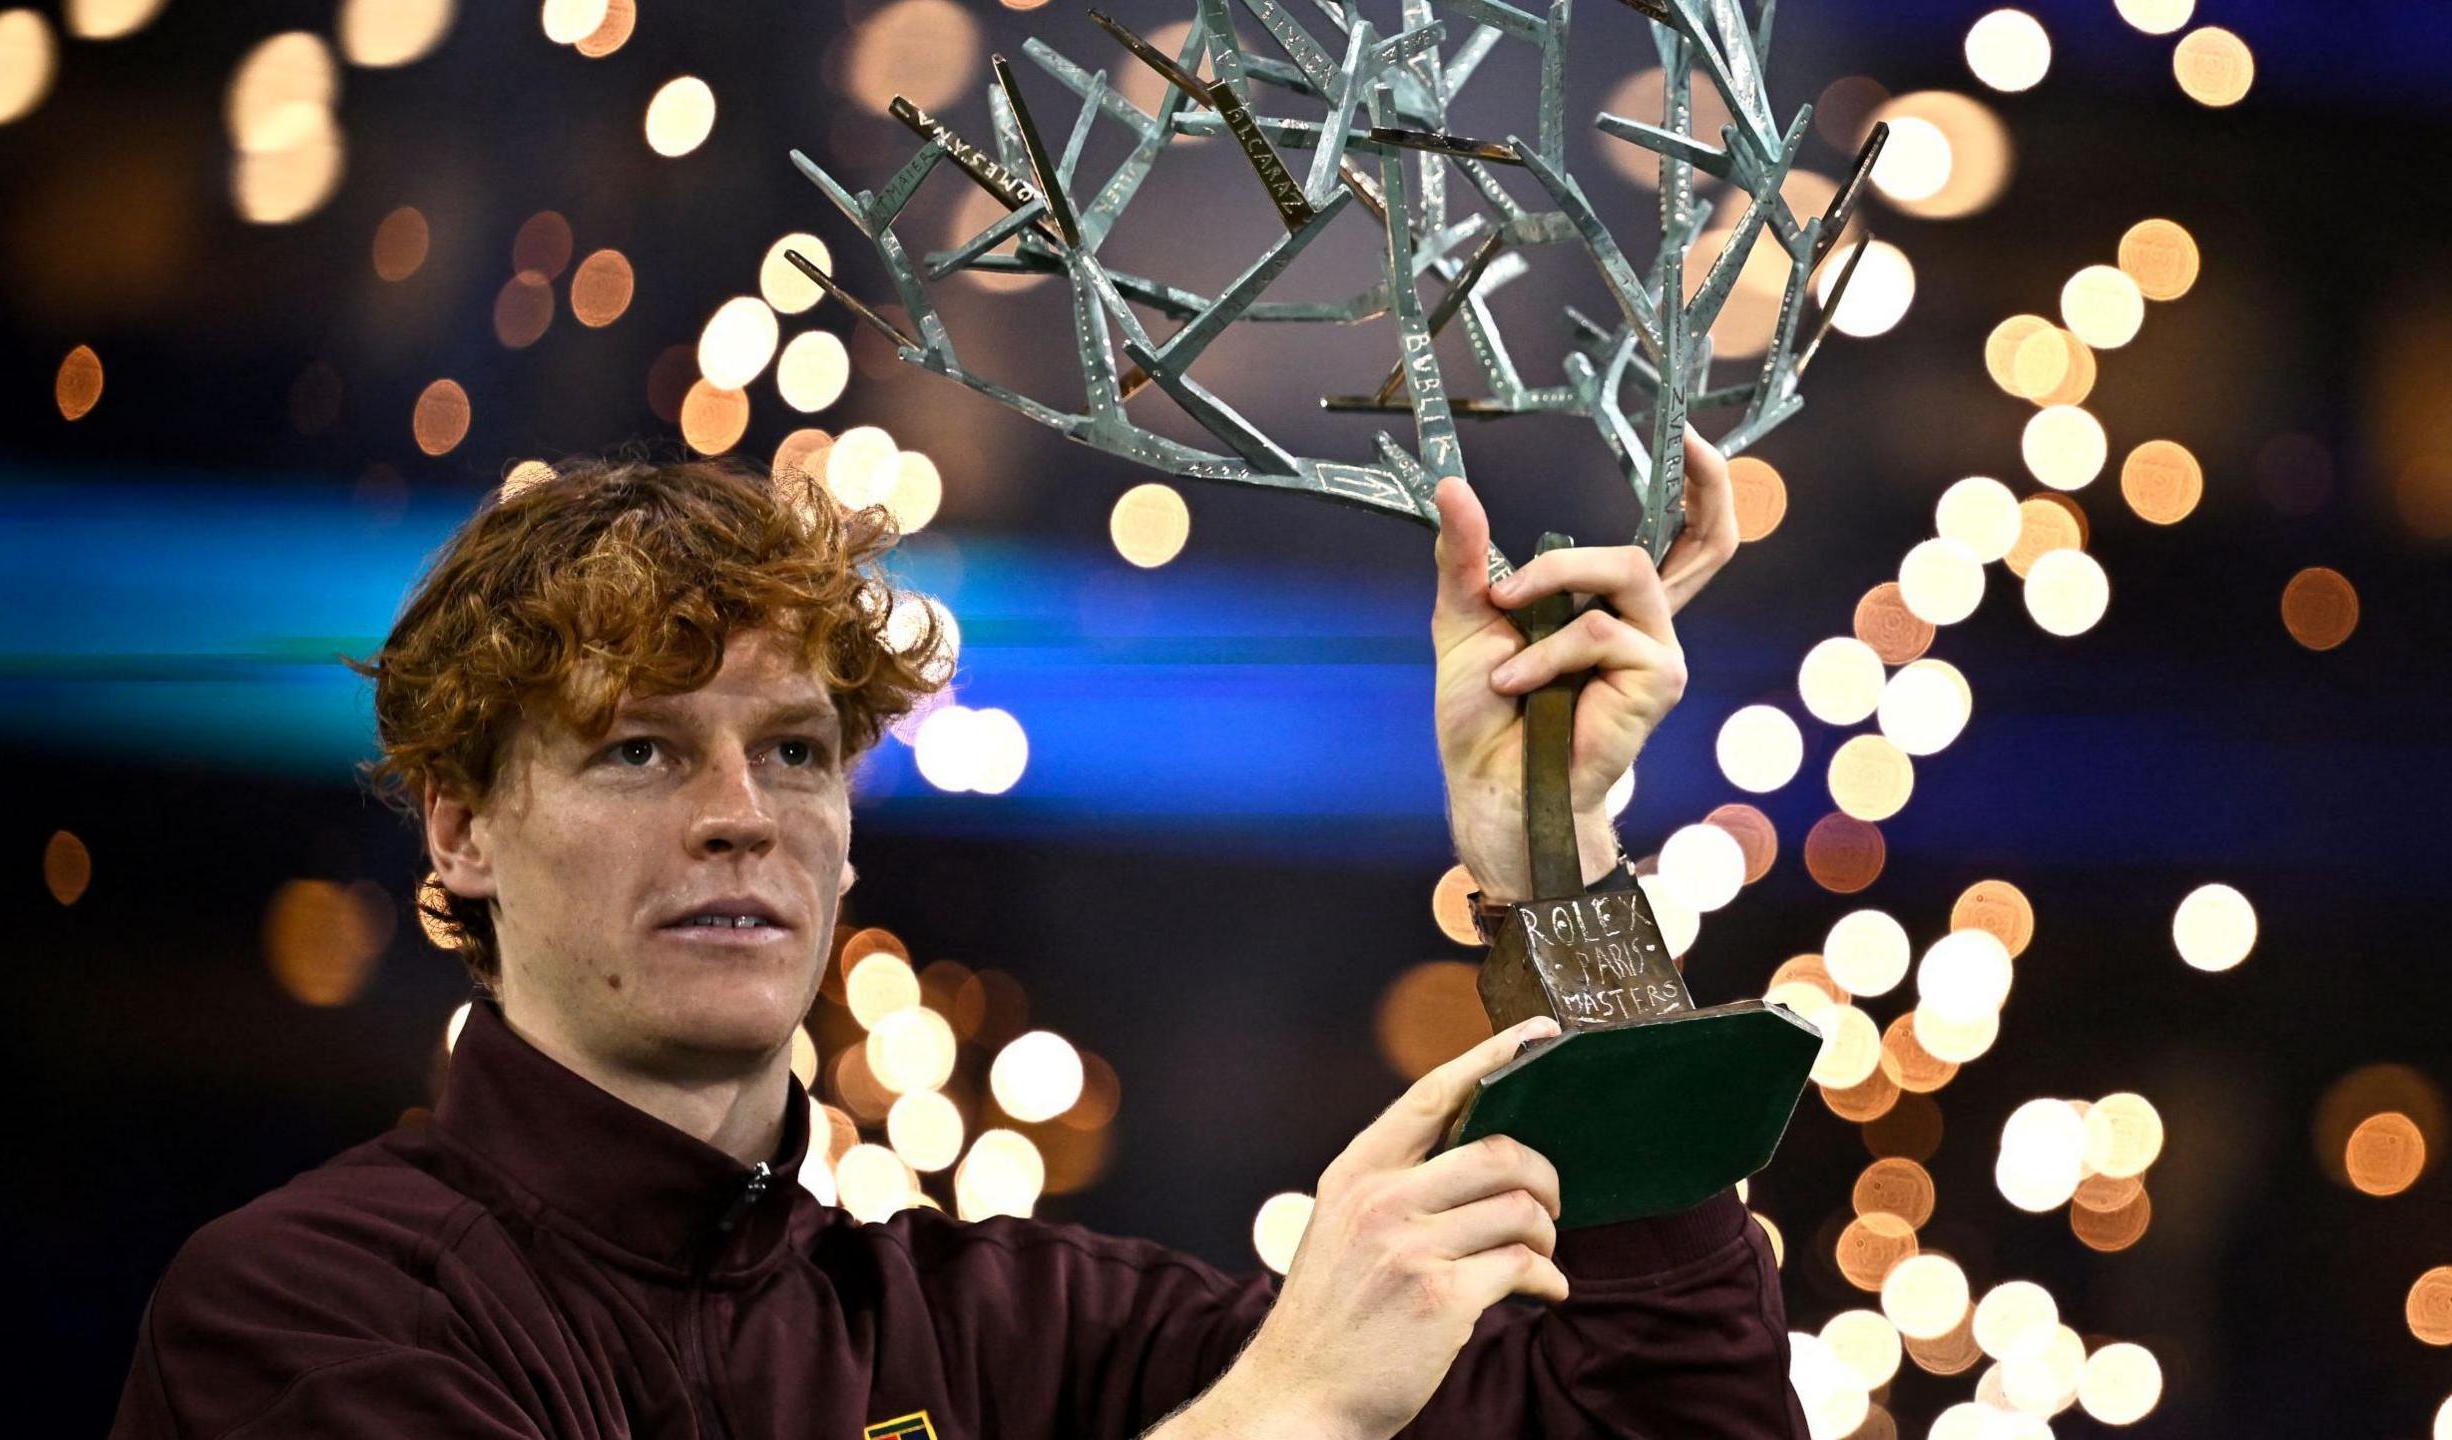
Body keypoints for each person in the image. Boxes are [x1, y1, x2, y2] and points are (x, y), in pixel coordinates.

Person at [108, 430, 1806, 1439]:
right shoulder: (299, 1316)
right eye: (640, 746)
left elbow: (1655, 1422)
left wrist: (1557, 865)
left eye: (795, 752)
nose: (740, 813)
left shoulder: (1008, 1328)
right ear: (462, 828)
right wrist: (1278, 1413)